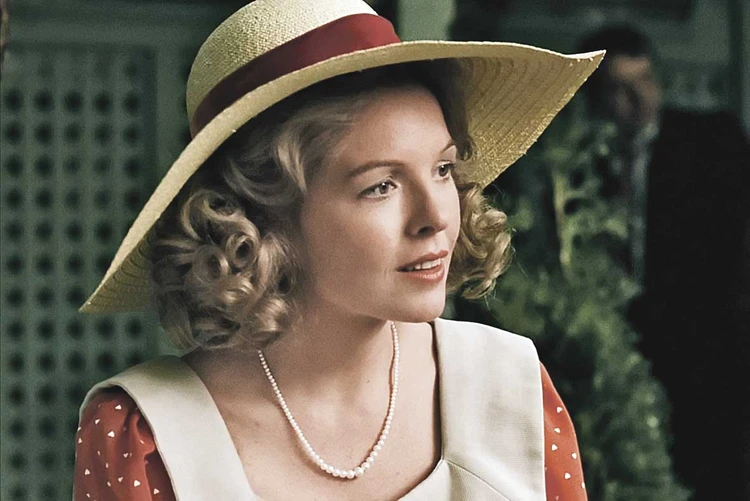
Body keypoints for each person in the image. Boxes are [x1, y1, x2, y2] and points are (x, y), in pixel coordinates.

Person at [72, 0, 603, 499]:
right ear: (259, 217)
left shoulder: (510, 389)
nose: (436, 218)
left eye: (442, 169)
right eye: (381, 186)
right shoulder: (148, 435)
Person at [578, 25, 750, 501]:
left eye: (645, 80)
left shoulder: (712, 140)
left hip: (707, 342)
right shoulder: (586, 160)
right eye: (620, 88)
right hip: (624, 345)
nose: (638, 100)